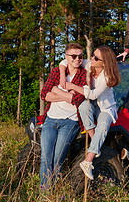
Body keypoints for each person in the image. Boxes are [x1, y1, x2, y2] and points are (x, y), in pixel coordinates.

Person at [62, 46, 121, 180]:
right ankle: (95, 142)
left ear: (105, 63)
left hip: (105, 107)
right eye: (93, 55)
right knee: (83, 106)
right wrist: (61, 73)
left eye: (96, 58)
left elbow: (93, 95)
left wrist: (72, 86)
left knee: (103, 124)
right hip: (92, 104)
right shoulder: (90, 64)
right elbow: (66, 61)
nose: (92, 59)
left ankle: (88, 161)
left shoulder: (106, 77)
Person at [39, 43, 88, 188]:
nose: (77, 59)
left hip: (70, 122)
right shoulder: (56, 72)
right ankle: (45, 193)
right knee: (45, 159)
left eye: (80, 56)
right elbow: (44, 95)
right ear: (66, 58)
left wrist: (56, 90)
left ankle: (56, 190)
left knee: (58, 158)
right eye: (73, 56)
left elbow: (77, 99)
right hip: (50, 120)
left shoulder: (84, 75)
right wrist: (66, 95)